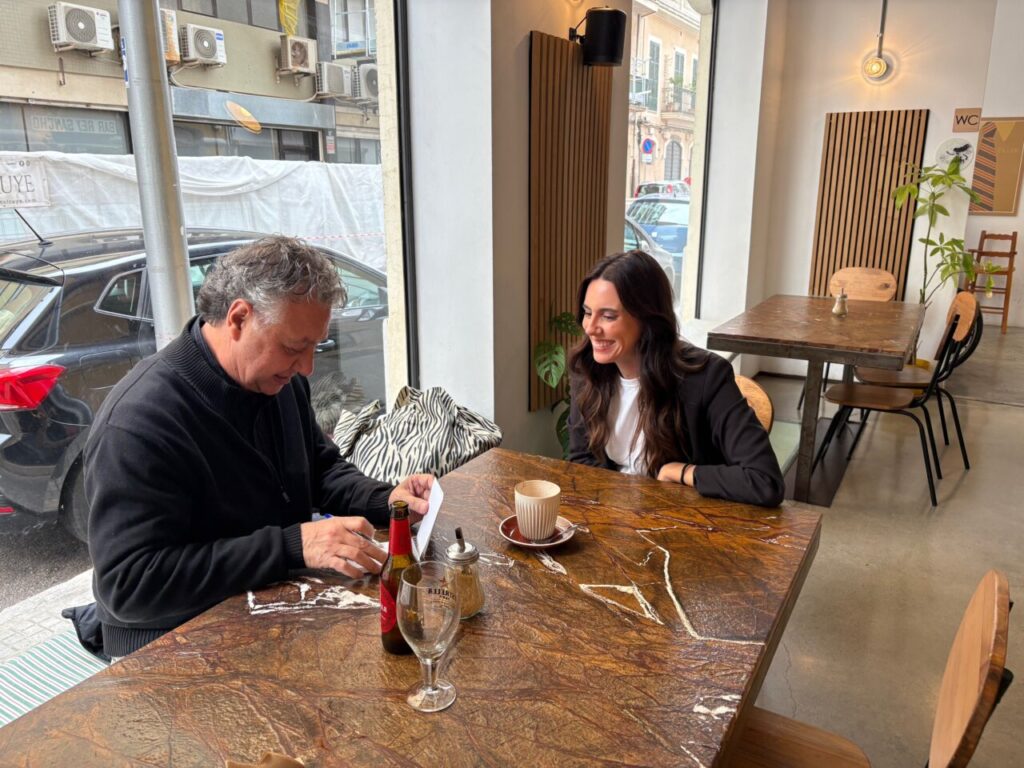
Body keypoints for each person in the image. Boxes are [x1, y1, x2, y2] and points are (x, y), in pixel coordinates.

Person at [83, 236, 432, 658]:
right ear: (238, 318)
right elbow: (129, 586)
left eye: (314, 347)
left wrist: (386, 499)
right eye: (293, 347)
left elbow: (320, 469)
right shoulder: (139, 422)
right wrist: (291, 546)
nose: (306, 368)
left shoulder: (278, 382)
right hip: (167, 640)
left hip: (267, 599)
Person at [567, 250, 785, 507]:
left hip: (687, 522)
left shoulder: (706, 377)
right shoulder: (588, 370)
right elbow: (582, 461)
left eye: (608, 316)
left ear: (647, 318)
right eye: (587, 312)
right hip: (615, 520)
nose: (590, 327)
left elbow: (764, 481)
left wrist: (681, 472)